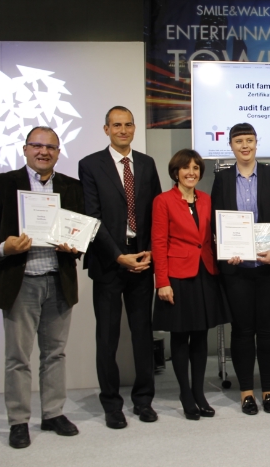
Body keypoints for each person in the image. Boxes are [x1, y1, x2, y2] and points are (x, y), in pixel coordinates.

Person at [0, 127, 84, 449]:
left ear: (58, 152)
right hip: (19, 282)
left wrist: (74, 246)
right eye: (37, 145)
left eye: (50, 147)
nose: (43, 152)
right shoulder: (1, 184)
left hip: (58, 280)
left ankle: (53, 413)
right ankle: (18, 420)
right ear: (25, 149)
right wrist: (4, 246)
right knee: (17, 357)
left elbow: (81, 230)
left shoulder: (71, 187)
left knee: (55, 354)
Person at [78, 106, 163, 429]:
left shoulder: (147, 163)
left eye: (128, 124)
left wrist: (150, 251)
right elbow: (92, 216)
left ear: (134, 128)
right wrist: (117, 256)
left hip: (142, 259)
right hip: (108, 262)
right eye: (116, 125)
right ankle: (111, 404)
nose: (123, 130)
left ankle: (143, 400)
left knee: (143, 335)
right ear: (106, 130)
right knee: (107, 337)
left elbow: (156, 212)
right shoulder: (90, 165)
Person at [210, 123, 270, 416]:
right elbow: (216, 219)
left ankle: (268, 389)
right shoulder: (221, 179)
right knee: (242, 330)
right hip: (237, 269)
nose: (244, 146)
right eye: (239, 141)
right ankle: (246, 391)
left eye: (249, 140)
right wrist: (226, 250)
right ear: (231, 146)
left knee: (269, 330)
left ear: (257, 143)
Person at [152, 149, 230, 420]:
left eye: (196, 168)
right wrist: (162, 281)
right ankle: (185, 394)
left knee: (200, 336)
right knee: (180, 335)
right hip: (176, 276)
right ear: (176, 172)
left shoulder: (207, 200)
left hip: (205, 273)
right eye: (186, 168)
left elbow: (214, 236)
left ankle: (199, 393)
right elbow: (159, 243)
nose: (191, 172)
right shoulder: (163, 201)